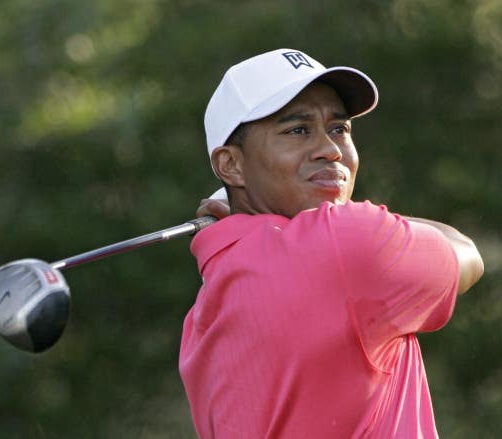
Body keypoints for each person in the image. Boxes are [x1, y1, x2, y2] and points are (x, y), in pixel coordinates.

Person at [178, 48, 484, 438]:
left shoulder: (211, 293)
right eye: (297, 130)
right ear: (231, 165)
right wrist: (361, 222)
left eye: (339, 129)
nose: (331, 149)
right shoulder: (346, 245)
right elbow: (467, 253)